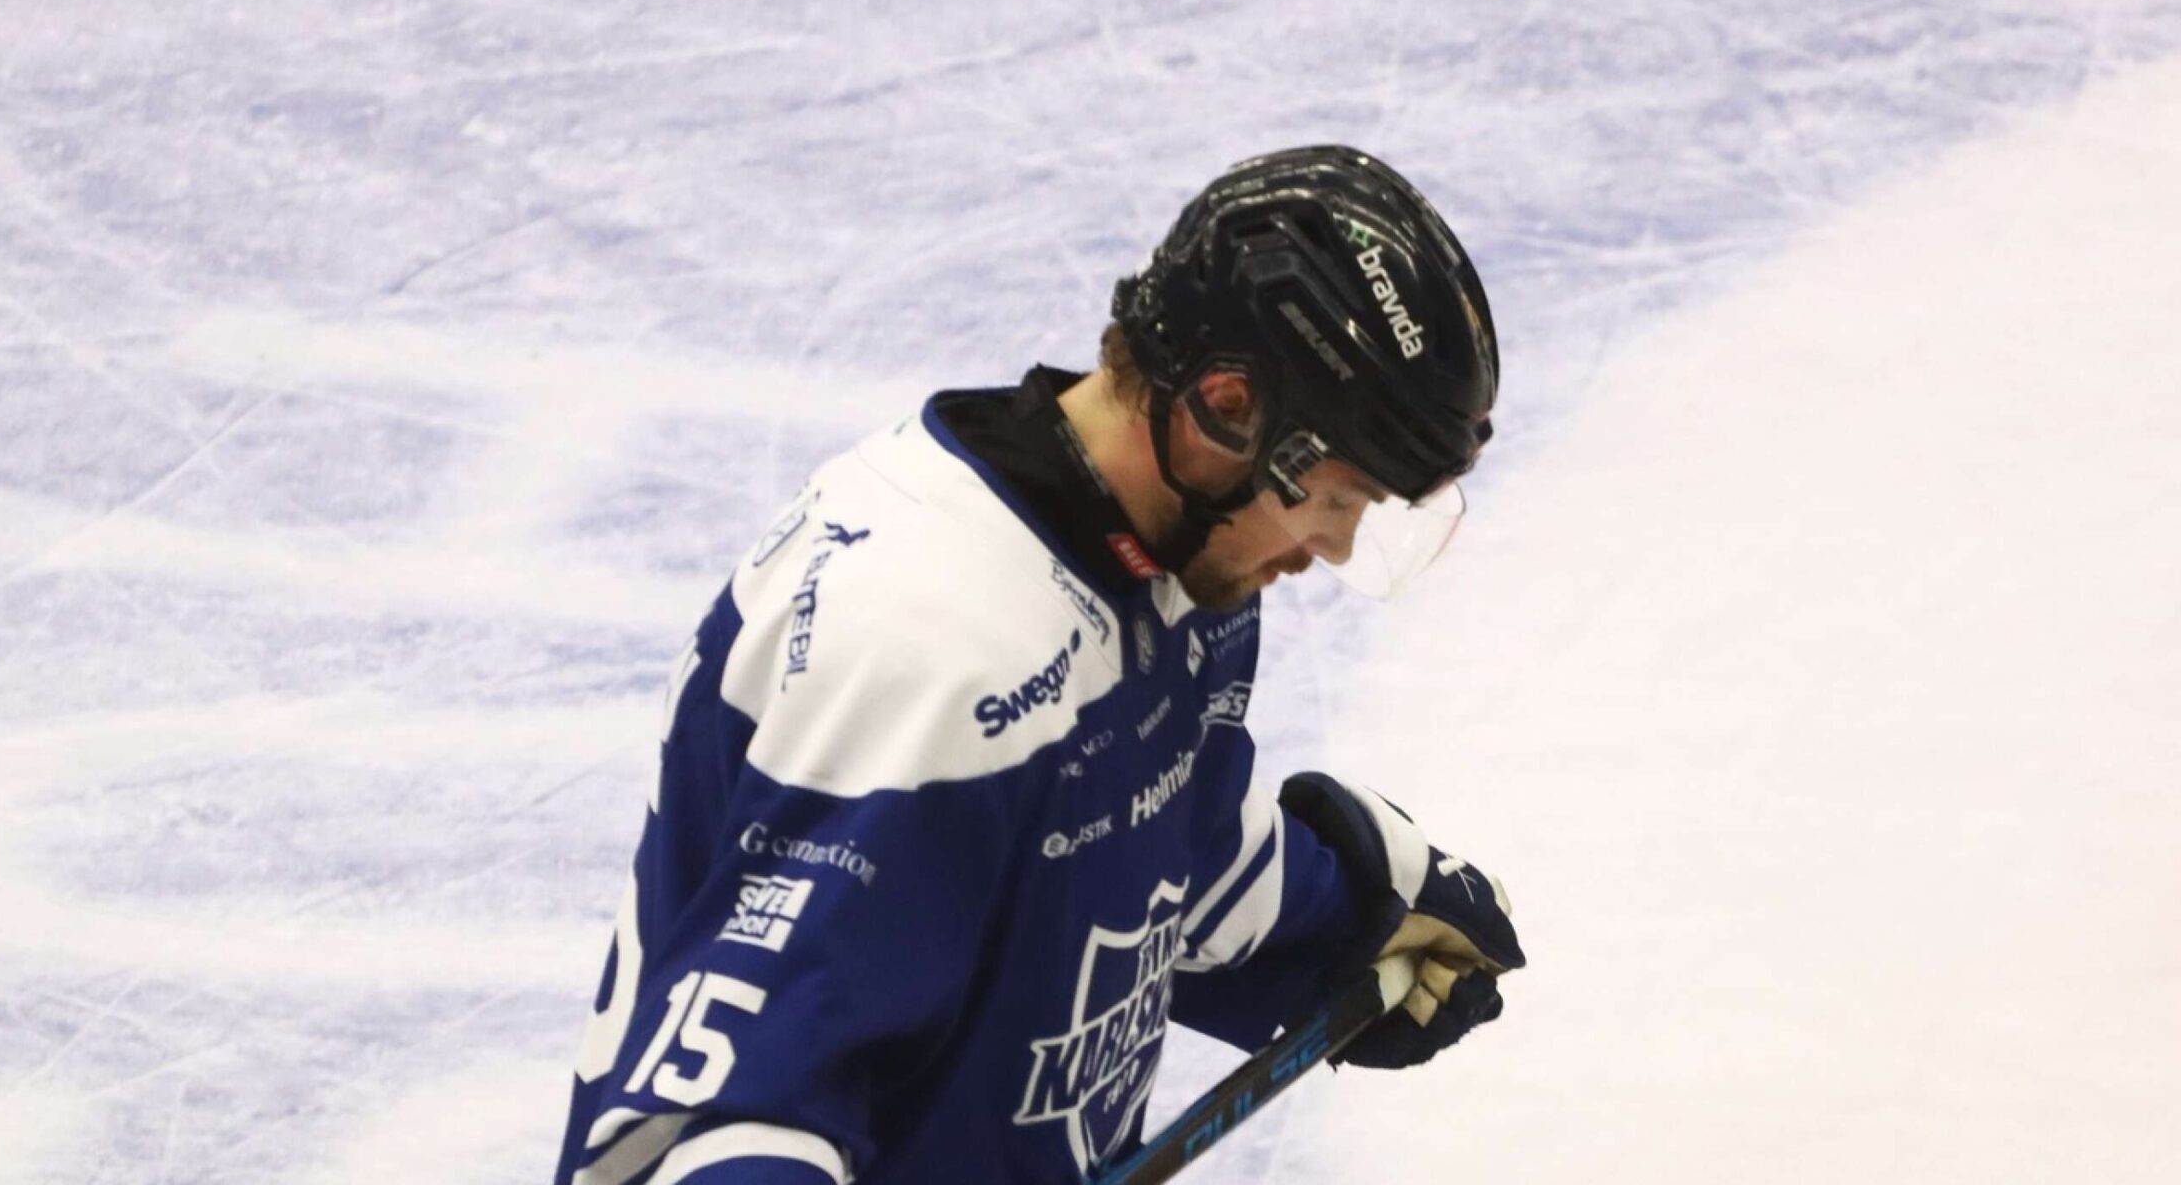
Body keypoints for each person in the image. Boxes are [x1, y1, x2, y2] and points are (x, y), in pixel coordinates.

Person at [551, 146, 1526, 1185]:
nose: (1331, 547)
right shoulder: (939, 658)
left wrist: (1346, 921)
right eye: (1335, 498)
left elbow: (1151, 859)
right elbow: (730, 1119)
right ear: (1226, 408)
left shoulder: (1178, 569)